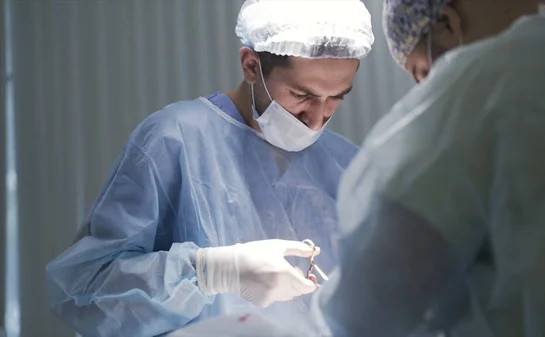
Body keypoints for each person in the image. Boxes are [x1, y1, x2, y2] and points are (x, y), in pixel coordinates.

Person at [45, 0, 374, 336]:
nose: (318, 119)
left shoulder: (346, 165)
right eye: (302, 95)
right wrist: (211, 272)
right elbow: (84, 291)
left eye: (336, 98)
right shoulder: (174, 140)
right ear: (250, 66)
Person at [316, 0, 545, 336]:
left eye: (424, 74)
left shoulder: (486, 85)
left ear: (448, 23)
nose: (429, 88)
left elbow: (365, 309)